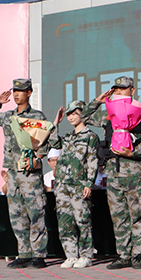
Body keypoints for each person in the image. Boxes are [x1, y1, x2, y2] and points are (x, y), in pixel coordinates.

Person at [82, 76, 141, 269]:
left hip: (134, 172)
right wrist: (98, 101)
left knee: (138, 214)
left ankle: (137, 255)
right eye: (116, 90)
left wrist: (133, 153)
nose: (119, 93)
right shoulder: (109, 114)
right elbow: (85, 116)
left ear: (132, 90)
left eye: (123, 89)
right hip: (113, 173)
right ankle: (123, 255)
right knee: (118, 217)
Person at [0, 79, 49, 268]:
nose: (16, 95)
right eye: (14, 91)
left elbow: (46, 140)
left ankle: (39, 255)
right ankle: (24, 253)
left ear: (29, 93)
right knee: (16, 214)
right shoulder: (8, 116)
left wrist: (37, 158)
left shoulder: (37, 115)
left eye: (21, 91)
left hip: (30, 172)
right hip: (13, 171)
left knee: (36, 212)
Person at [49, 100, 99, 268]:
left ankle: (86, 255)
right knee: (65, 221)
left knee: (82, 220)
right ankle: (70, 255)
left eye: (74, 113)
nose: (71, 117)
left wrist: (89, 183)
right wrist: (56, 123)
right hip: (62, 185)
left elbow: (92, 161)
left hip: (79, 185)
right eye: (69, 114)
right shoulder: (68, 137)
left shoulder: (90, 136)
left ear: (82, 114)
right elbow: (53, 142)